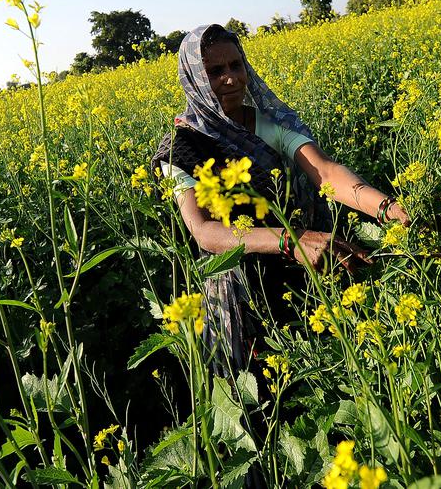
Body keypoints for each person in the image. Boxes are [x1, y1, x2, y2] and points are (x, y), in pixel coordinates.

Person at [151, 24, 411, 378]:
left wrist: (386, 208)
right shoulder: (181, 148)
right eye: (215, 71)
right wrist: (291, 240)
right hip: (243, 285)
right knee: (262, 391)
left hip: (312, 264)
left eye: (236, 65)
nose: (231, 79)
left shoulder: (270, 123)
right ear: (194, 78)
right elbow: (205, 231)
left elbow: (325, 173)